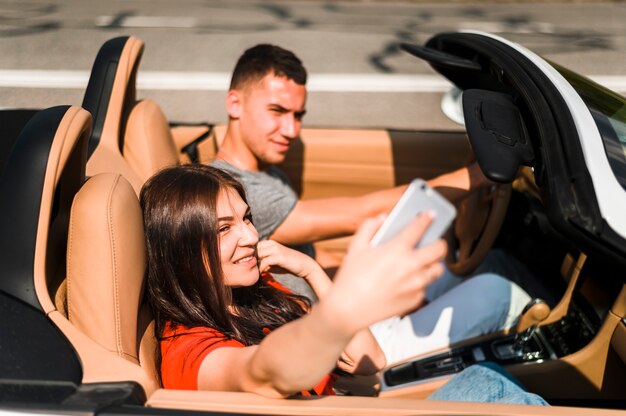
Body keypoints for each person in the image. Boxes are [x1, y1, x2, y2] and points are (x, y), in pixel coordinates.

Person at [210, 44, 533, 365]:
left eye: (298, 115)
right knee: (497, 292)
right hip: (333, 343)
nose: (292, 130)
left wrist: (382, 283)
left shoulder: (270, 173)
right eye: (278, 112)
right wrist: (480, 176)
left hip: (340, 311)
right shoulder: (233, 194)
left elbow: (315, 255)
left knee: (483, 264)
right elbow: (359, 215)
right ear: (235, 103)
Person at [141, 164, 546, 405]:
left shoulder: (252, 291)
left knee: (489, 378)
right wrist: (345, 307)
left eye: (245, 219)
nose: (249, 236)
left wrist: (311, 271)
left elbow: (372, 361)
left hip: (352, 402)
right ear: (180, 252)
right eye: (223, 229)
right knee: (491, 388)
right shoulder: (190, 351)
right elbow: (263, 372)